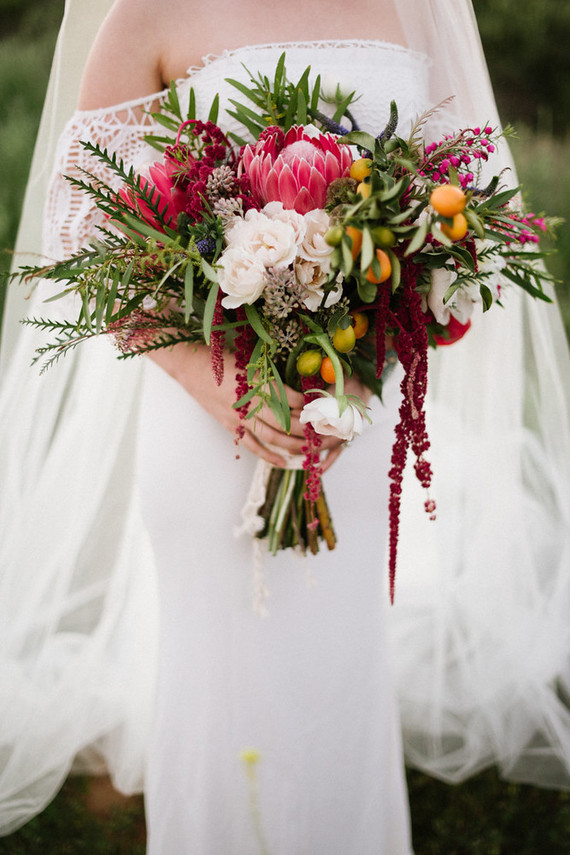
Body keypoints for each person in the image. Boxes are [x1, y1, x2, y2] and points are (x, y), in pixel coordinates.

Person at [1, 0, 569, 850]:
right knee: (219, 676)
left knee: (340, 666)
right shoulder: (146, 13)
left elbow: (461, 207)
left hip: (355, 414)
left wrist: (359, 374)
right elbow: (83, 225)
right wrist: (217, 382)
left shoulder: (414, 9)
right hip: (206, 416)